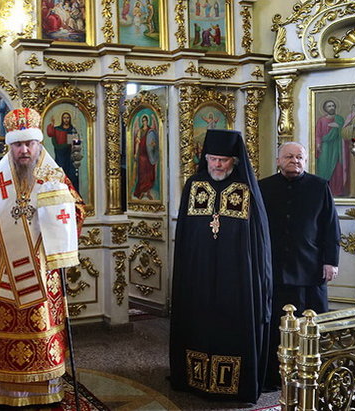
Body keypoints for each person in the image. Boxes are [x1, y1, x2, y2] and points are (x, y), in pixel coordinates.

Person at [0, 108, 85, 407]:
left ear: (40, 144)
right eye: (18, 144)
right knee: (4, 331)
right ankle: (4, 392)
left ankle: (45, 390)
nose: (24, 150)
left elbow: (76, 214)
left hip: (44, 274)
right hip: (3, 274)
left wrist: (60, 201)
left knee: (42, 330)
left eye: (29, 143)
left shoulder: (55, 176)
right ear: (9, 146)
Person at [170, 129, 272, 404]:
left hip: (237, 277)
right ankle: (194, 379)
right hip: (198, 273)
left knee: (231, 328)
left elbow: (257, 242)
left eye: (223, 160)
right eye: (212, 159)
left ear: (234, 161)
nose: (216, 165)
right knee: (199, 324)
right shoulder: (194, 186)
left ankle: (234, 385)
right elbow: (187, 236)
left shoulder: (246, 189)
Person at [259, 142, 340, 390]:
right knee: (275, 325)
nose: (295, 160)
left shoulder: (319, 186)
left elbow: (331, 227)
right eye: (289, 156)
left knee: (311, 325)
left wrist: (331, 261)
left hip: (310, 268)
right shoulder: (264, 187)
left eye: (300, 157)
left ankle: (315, 376)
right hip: (274, 269)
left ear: (306, 160)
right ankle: (273, 377)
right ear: (278, 160)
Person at [315, 100, 346, 196]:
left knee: (337, 169)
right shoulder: (321, 120)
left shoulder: (339, 119)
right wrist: (318, 144)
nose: (331, 107)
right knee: (324, 167)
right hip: (325, 147)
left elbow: (345, 132)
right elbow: (318, 134)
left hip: (337, 147)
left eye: (333, 106)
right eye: (329, 106)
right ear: (325, 108)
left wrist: (339, 126)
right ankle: (324, 191)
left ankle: (337, 191)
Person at [46, 111, 80, 191]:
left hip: (70, 157)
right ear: (62, 119)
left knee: (72, 176)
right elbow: (51, 134)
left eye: (67, 118)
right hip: (60, 156)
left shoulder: (72, 130)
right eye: (64, 118)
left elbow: (75, 143)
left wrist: (73, 144)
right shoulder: (58, 129)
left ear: (70, 119)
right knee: (60, 175)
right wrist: (52, 124)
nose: (66, 120)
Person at [133, 114, 157, 200]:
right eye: (143, 121)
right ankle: (142, 192)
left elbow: (154, 143)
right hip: (142, 156)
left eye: (145, 120)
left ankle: (148, 192)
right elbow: (137, 143)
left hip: (149, 156)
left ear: (147, 121)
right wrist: (136, 153)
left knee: (149, 174)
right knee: (142, 175)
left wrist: (153, 145)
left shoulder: (150, 131)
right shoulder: (139, 131)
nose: (144, 122)